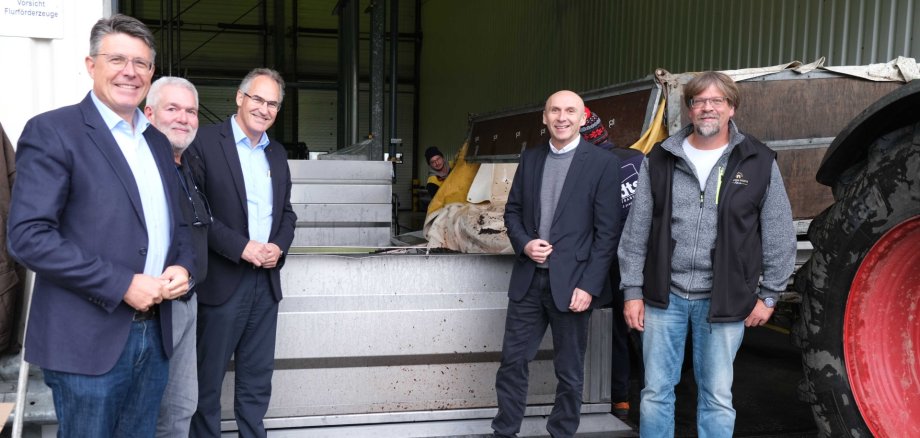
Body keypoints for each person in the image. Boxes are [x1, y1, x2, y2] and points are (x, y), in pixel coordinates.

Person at [7, 14, 194, 437]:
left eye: (142, 64)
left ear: (151, 73)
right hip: (86, 340)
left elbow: (179, 227)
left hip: (155, 332)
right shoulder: (54, 131)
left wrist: (183, 267)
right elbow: (27, 237)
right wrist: (121, 283)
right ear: (91, 66)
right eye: (117, 59)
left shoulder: (157, 143)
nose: (130, 72)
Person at [617, 71, 796, 437]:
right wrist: (632, 292)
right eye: (699, 101)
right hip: (664, 298)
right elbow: (636, 232)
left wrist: (770, 294)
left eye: (716, 101)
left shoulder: (758, 161)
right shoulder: (662, 158)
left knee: (716, 395)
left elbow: (779, 233)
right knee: (655, 392)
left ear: (731, 108)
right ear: (689, 109)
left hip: (726, 299)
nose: (707, 108)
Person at [492, 90, 621, 438]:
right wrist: (524, 243)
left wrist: (589, 286)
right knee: (513, 362)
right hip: (528, 281)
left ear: (582, 118)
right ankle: (505, 430)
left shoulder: (603, 164)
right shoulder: (531, 158)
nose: (562, 117)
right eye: (554, 110)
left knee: (569, 370)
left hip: (574, 285)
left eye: (570, 111)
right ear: (544, 117)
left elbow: (607, 234)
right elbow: (513, 211)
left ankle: (561, 431)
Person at [189, 67, 297, 438]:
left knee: (256, 382)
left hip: (265, 285)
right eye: (258, 99)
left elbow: (286, 212)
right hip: (222, 284)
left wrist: (278, 247)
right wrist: (242, 247)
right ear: (239, 98)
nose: (264, 109)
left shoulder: (277, 153)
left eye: (273, 104)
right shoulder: (203, 143)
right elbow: (196, 214)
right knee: (207, 386)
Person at [145, 76, 211, 438]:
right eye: (173, 109)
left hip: (188, 299)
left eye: (191, 111)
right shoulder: (142, 167)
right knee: (152, 408)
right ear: (149, 112)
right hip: (153, 305)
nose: (183, 118)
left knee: (181, 405)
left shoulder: (186, 165)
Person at [579, 106, 644, 420]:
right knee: (650, 331)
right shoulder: (637, 158)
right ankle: (658, 396)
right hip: (645, 260)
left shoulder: (588, 170)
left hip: (612, 262)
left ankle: (620, 400)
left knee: (617, 329)